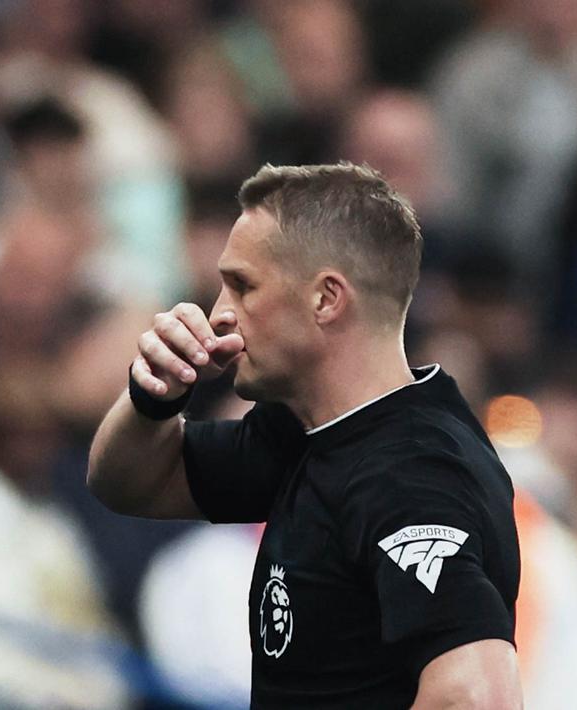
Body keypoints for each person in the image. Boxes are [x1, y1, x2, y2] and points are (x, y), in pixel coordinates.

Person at [87, 163, 521, 708]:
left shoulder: (409, 471)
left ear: (326, 299)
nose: (219, 313)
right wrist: (154, 399)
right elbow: (129, 484)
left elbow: (477, 696)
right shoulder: (306, 435)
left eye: (242, 286)